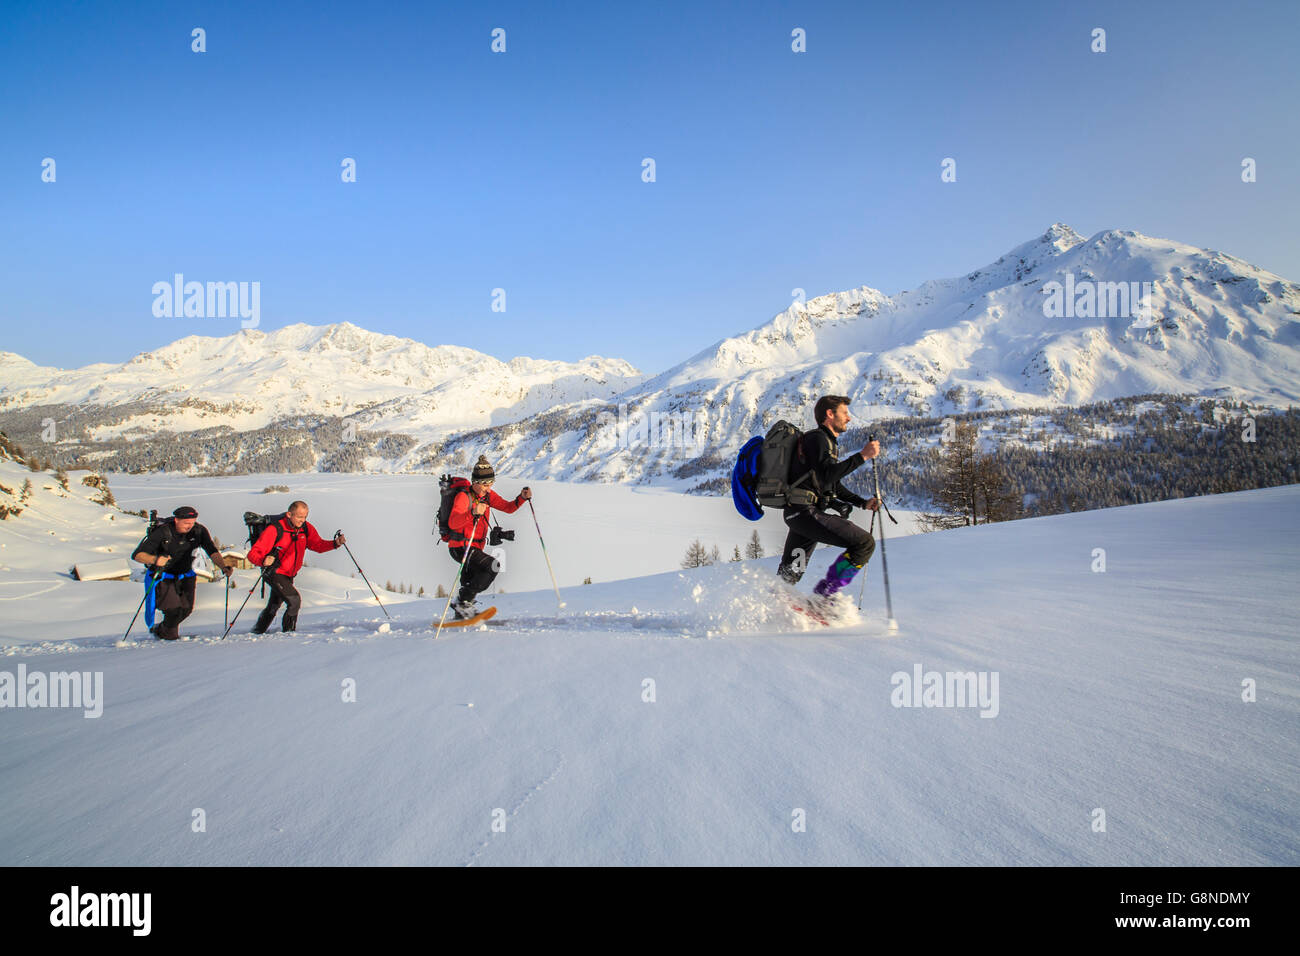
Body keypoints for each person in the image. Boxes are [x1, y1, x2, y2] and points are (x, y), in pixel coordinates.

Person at [776, 395, 882, 605]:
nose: (849, 418)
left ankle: (773, 606)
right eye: (845, 413)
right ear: (830, 414)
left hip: (799, 516)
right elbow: (827, 476)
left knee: (791, 573)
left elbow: (829, 484)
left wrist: (861, 502)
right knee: (864, 544)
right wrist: (862, 456)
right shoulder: (817, 439)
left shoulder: (822, 441)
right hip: (806, 513)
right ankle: (824, 600)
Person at [445, 456, 532, 619]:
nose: (488, 487)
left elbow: (508, 507)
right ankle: (463, 603)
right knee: (493, 566)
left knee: (471, 578)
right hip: (460, 546)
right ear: (475, 482)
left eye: (491, 483)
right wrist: (473, 512)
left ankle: (462, 611)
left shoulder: (487, 496)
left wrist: (521, 498)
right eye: (485, 484)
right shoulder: (464, 497)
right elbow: (453, 523)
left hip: (474, 546)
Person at [132, 505, 233, 640]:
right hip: (164, 577)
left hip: (186, 575)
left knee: (186, 609)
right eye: (186, 523)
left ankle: (162, 630)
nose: (189, 526)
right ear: (176, 520)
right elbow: (137, 555)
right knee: (172, 610)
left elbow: (211, 550)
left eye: (192, 522)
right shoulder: (163, 532)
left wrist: (223, 566)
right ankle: (169, 638)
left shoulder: (199, 531)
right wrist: (155, 559)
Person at [246, 500, 345, 634]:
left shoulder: (306, 528)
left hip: (288, 574)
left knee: (274, 605)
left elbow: (317, 545)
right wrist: (263, 560)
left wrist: (335, 544)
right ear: (289, 514)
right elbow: (253, 554)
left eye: (305, 517)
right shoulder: (275, 529)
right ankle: (289, 635)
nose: (302, 520)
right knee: (294, 601)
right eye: (299, 517)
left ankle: (257, 631)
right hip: (274, 572)